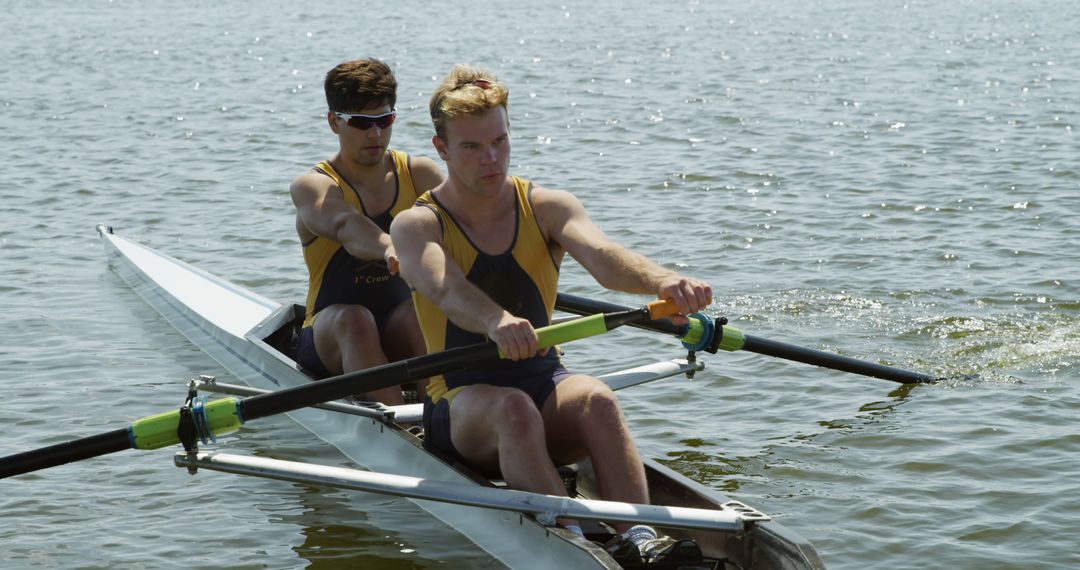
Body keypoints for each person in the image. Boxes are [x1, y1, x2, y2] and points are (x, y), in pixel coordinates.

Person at [390, 64, 712, 557]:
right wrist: (495, 321)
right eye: (472, 148)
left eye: (498, 141)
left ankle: (642, 541)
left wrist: (662, 280)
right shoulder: (415, 226)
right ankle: (578, 546)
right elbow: (443, 287)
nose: (490, 159)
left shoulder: (547, 206)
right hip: (460, 405)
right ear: (442, 150)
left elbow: (605, 259)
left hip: (544, 382)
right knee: (513, 410)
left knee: (598, 399)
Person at [290, 58, 443, 404]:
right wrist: (391, 247)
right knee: (356, 320)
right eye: (361, 122)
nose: (375, 134)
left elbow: (467, 234)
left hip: (399, 327)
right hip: (330, 335)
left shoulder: (421, 175)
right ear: (334, 122)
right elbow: (345, 226)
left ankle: (444, 415)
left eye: (384, 120)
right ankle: (400, 430)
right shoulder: (313, 187)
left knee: (417, 314)